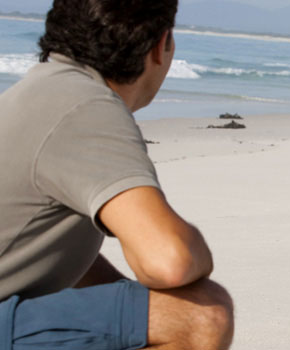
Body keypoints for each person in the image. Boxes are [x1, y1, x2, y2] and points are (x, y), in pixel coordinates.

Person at [0, 0, 233, 349]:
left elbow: (46, 246)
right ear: (161, 46)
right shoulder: (86, 107)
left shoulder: (44, 91)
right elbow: (170, 261)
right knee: (199, 315)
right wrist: (197, 252)